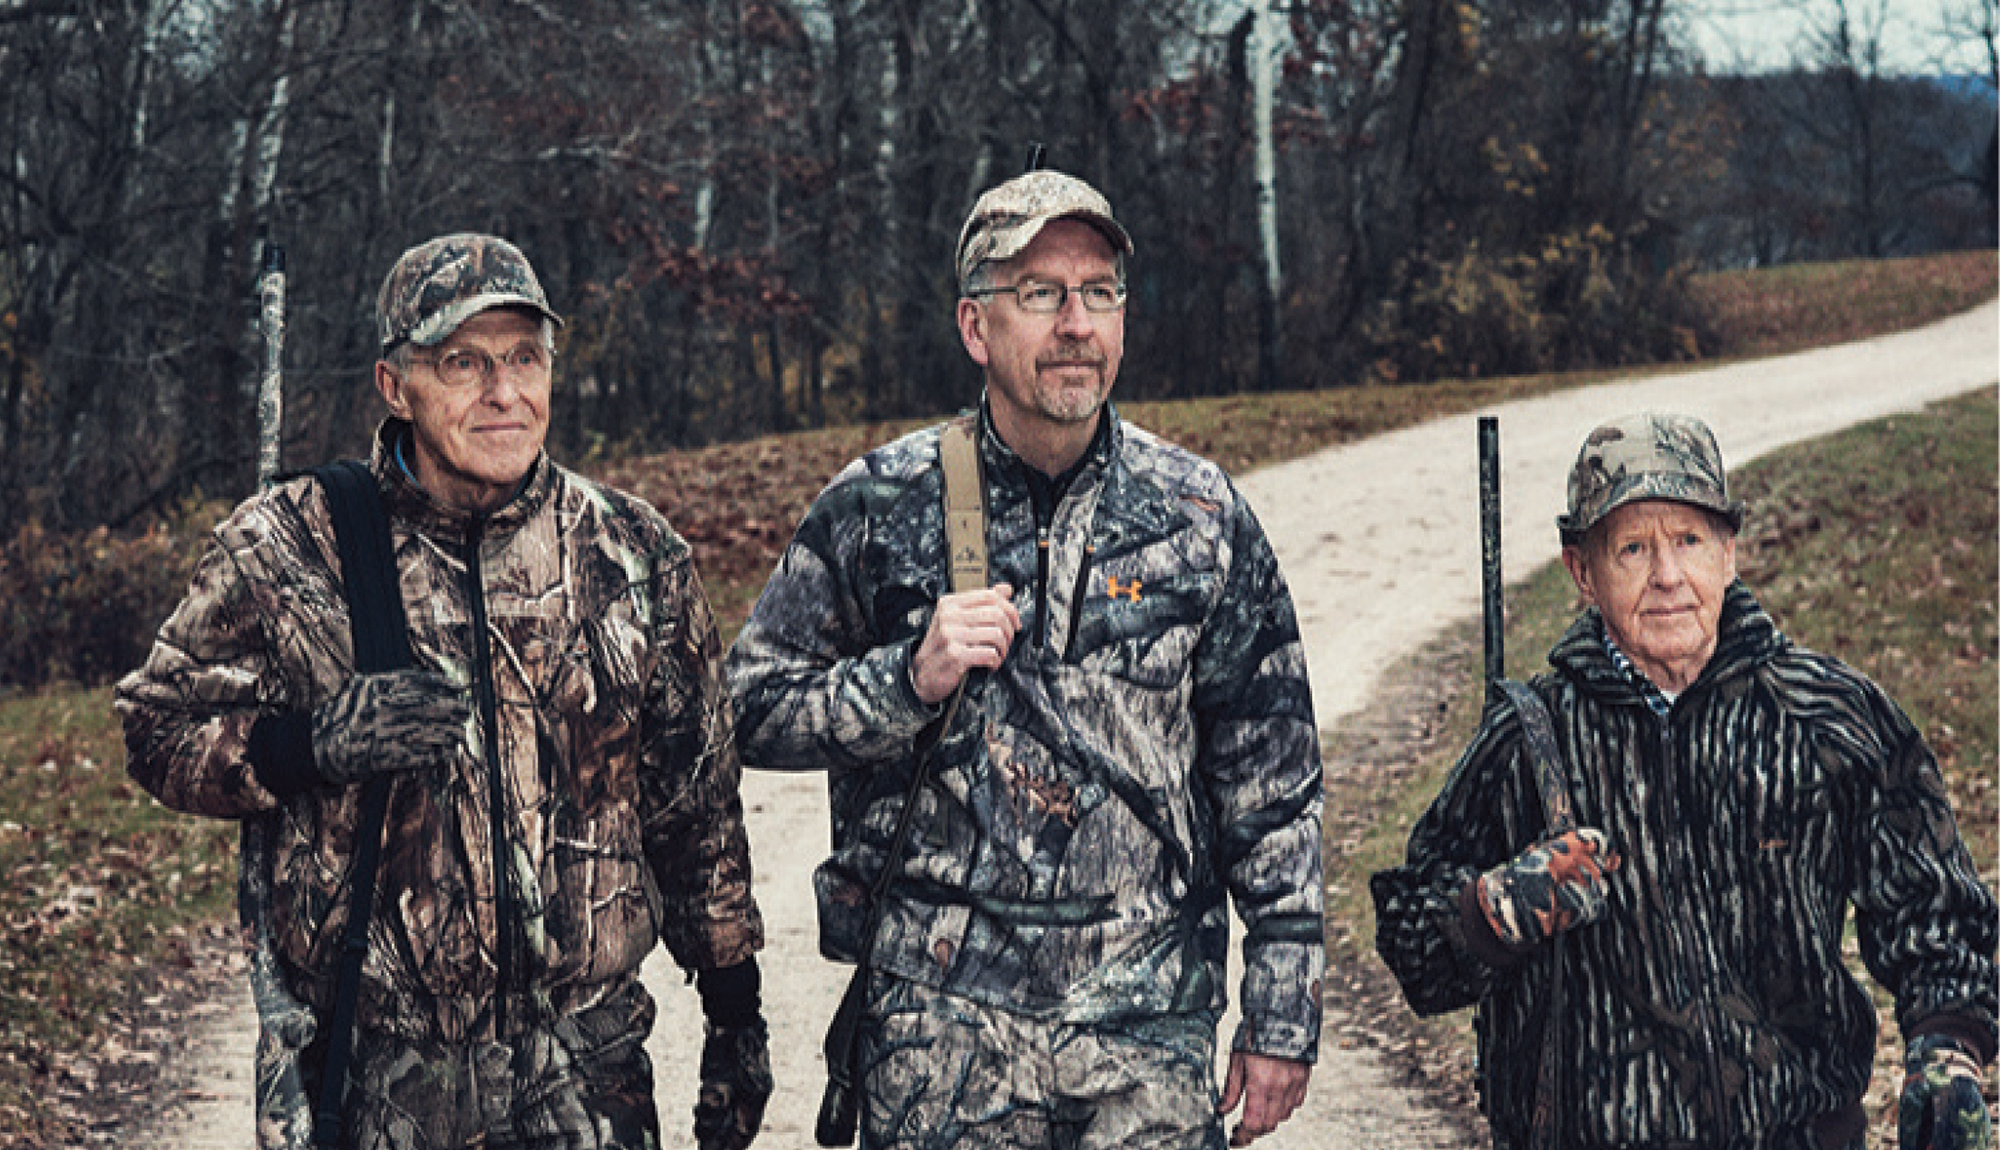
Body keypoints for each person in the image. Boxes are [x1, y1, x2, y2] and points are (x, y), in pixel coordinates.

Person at [117, 233, 772, 1150]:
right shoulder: (293, 549)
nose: (504, 393)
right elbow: (155, 725)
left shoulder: (628, 552)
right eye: (463, 362)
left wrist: (734, 1010)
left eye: (524, 358)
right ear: (396, 385)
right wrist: (304, 747)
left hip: (587, 1067)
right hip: (375, 1070)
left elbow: (693, 797)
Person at [726, 169, 1324, 1149]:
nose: (1075, 323)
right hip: (939, 1035)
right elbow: (749, 706)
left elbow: (1272, 787)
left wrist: (1281, 1011)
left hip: (1146, 1029)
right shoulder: (882, 504)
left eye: (1098, 293)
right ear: (975, 326)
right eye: (1040, 295)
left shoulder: (1201, 518)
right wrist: (902, 681)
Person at [1370, 412, 1998, 1150]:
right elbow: (1415, 952)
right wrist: (1494, 911)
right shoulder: (1528, 743)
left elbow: (1937, 912)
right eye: (1632, 548)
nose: (1667, 576)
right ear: (1582, 572)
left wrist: (1945, 1050)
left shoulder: (1828, 718)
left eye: (1690, 541)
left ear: (1729, 553)